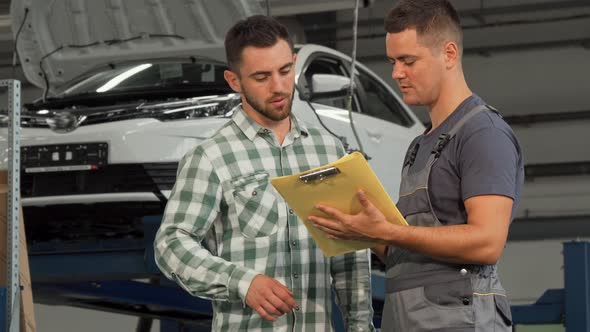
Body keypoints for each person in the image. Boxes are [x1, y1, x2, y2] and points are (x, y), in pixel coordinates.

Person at [309, 1, 524, 331]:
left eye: (408, 61)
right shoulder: (419, 145)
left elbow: (488, 242)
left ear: (449, 54)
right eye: (394, 61)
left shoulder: (483, 134)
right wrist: (361, 229)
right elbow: (404, 249)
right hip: (406, 317)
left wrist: (388, 231)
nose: (396, 73)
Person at [154, 15, 375, 332]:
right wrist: (242, 282)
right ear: (234, 81)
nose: (279, 86)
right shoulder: (211, 158)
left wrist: (360, 326)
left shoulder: (328, 151)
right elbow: (171, 244)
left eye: (285, 71)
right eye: (261, 77)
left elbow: (350, 252)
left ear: (294, 62)